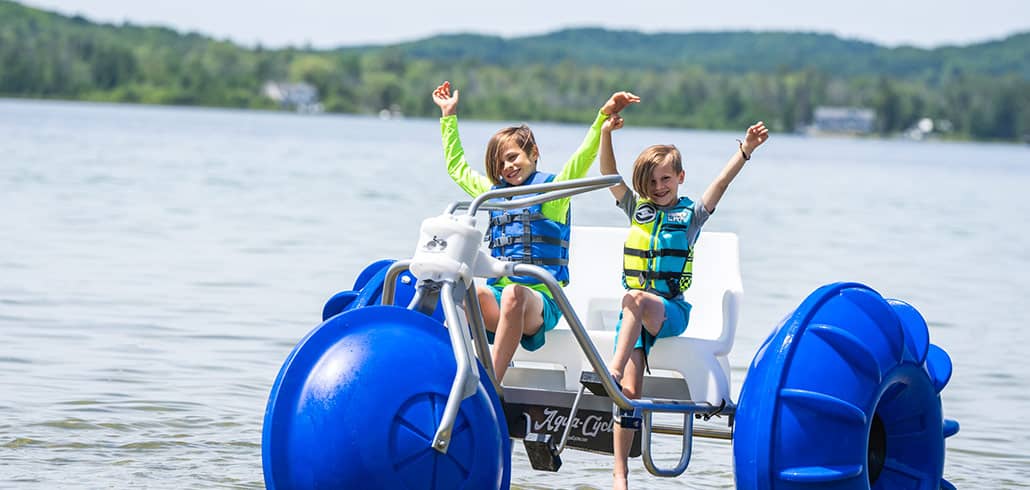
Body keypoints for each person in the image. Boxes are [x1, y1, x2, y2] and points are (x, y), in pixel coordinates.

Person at [599, 112, 769, 490]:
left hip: (670, 311)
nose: (659, 187)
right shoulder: (636, 209)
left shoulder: (690, 216)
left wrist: (745, 150)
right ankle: (619, 477)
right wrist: (606, 133)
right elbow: (609, 174)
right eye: (652, 181)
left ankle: (608, 370)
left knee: (637, 299)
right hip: (634, 318)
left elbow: (721, 184)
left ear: (680, 178)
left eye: (666, 179)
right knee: (629, 394)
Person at [431, 80, 640, 383]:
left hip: (541, 302)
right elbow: (457, 168)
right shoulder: (494, 194)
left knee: (516, 294)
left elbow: (582, 159)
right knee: (465, 290)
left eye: (513, 157)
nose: (507, 167)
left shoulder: (551, 194)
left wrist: (601, 118)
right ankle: (455, 375)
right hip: (500, 295)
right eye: (499, 163)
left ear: (534, 153)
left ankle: (491, 384)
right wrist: (448, 116)